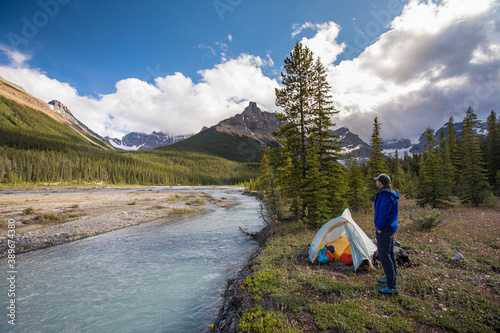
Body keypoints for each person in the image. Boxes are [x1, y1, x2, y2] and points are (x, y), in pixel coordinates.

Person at [373, 173, 400, 295]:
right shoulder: (391, 193)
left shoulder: (385, 195)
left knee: (385, 256)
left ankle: (392, 287)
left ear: (381, 183)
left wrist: (379, 227)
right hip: (390, 228)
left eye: (377, 181)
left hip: (384, 229)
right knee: (390, 254)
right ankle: (391, 279)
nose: (376, 183)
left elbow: (384, 212)